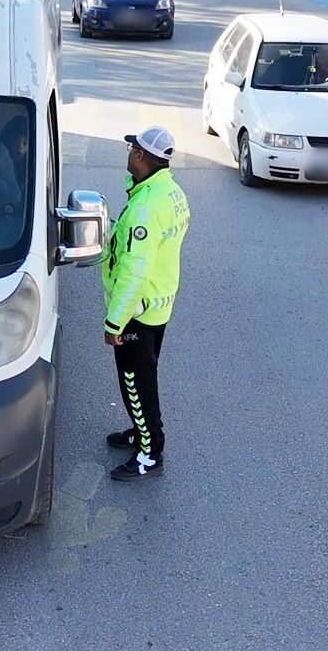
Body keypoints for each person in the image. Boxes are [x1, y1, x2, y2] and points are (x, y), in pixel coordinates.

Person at [102, 127, 190, 482]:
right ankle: (141, 433)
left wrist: (115, 322)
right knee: (142, 378)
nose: (128, 152)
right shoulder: (170, 191)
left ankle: (150, 453)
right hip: (158, 303)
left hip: (137, 312)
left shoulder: (145, 208)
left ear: (140, 156)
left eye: (131, 148)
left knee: (137, 383)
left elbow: (134, 272)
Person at [0, 114, 30, 195]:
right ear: (8, 140)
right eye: (16, 142)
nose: (20, 148)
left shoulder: (31, 168)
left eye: (25, 143)